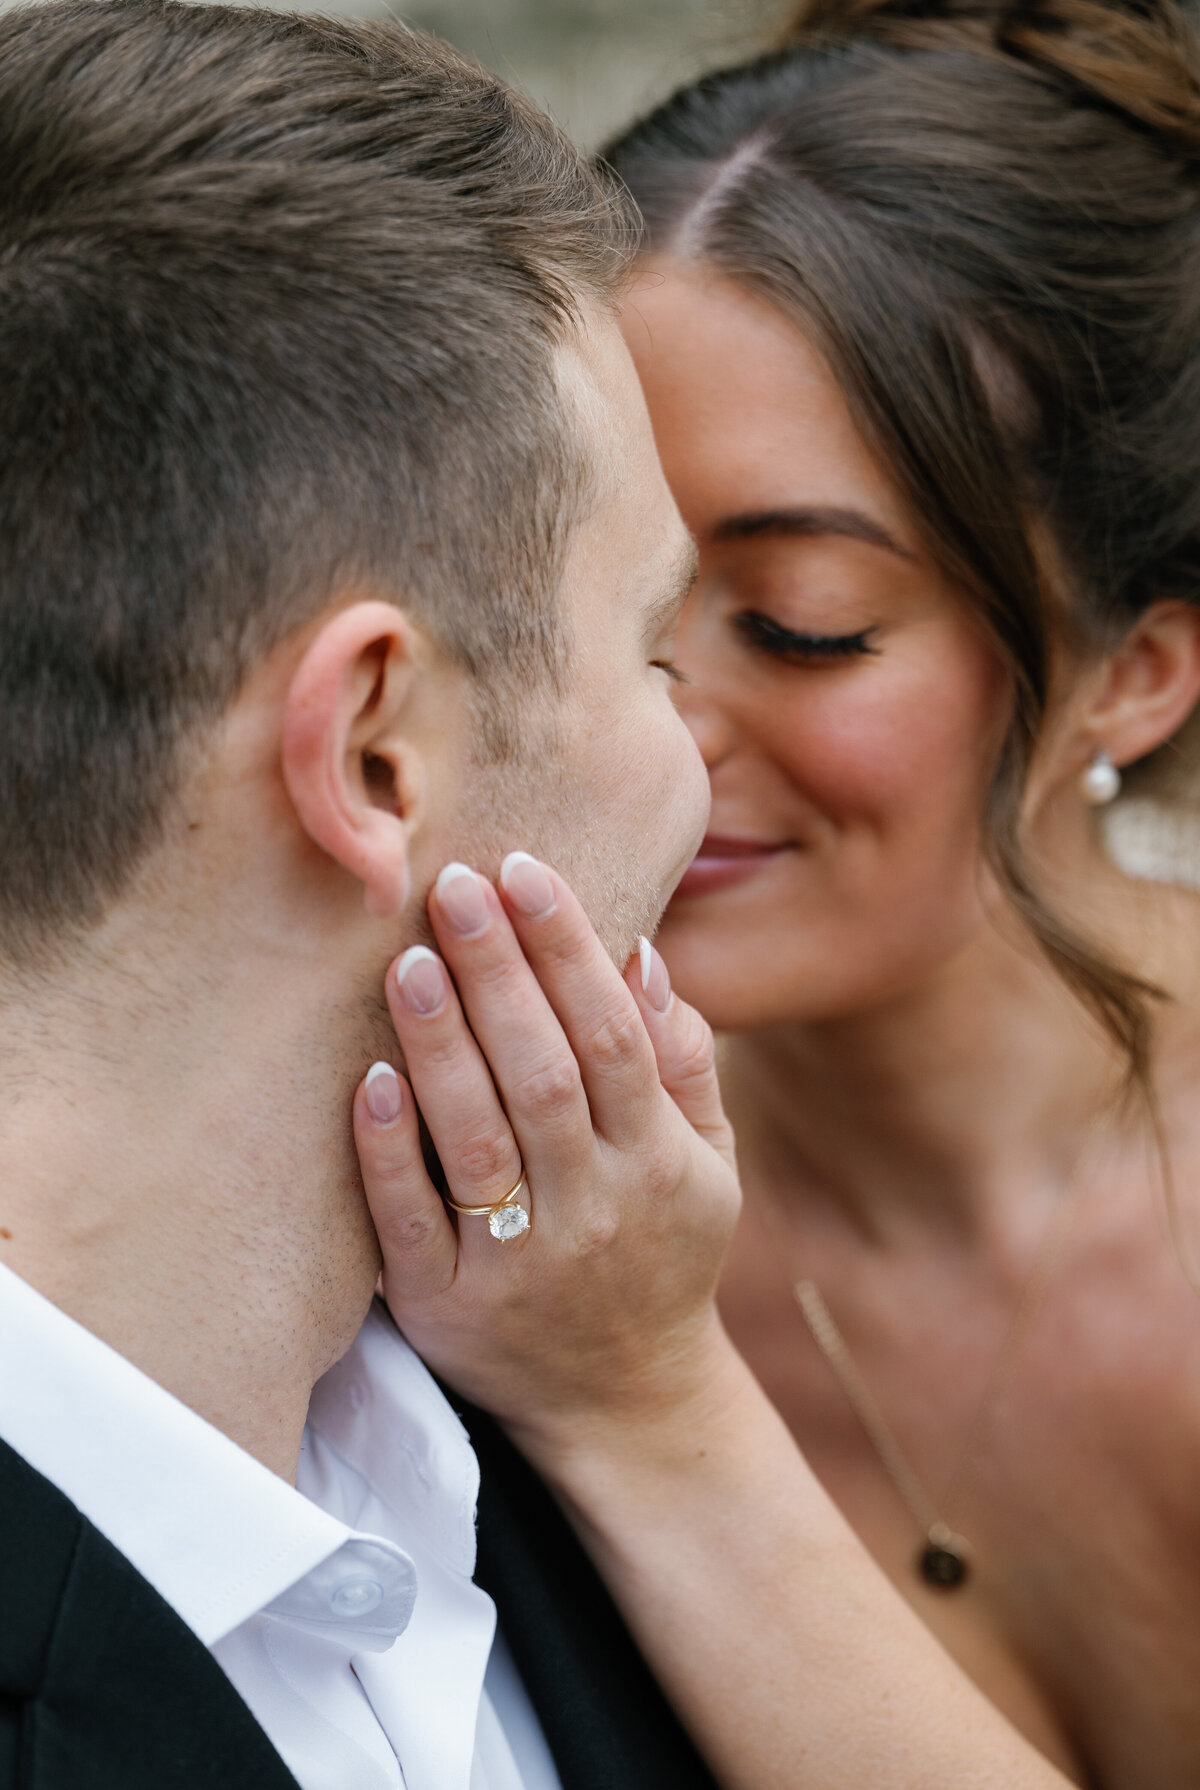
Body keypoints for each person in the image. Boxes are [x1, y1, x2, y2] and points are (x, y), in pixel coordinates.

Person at [592, 0, 1200, 1783]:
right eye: (598, 600)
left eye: (804, 625)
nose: (657, 731)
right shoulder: (532, 1223)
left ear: (1137, 673)